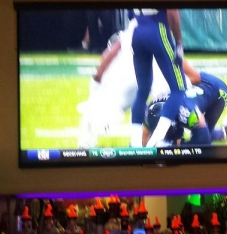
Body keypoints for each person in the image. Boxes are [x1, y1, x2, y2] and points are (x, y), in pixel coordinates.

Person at [76, 18, 200, 149]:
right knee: (166, 101)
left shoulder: (135, 27)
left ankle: (88, 146)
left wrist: (96, 80)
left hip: (132, 73)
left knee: (153, 102)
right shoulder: (156, 26)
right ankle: (159, 140)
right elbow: (192, 76)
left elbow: (111, 52)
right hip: (143, 69)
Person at [129, 8, 187, 147]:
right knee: (178, 89)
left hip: (137, 31)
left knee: (142, 90)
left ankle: (135, 143)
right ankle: (155, 141)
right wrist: (179, 42)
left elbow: (130, 15)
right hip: (157, 29)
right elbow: (172, 11)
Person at [144, 66, 227, 147]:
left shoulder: (187, 112)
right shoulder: (151, 111)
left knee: (205, 136)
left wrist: (178, 147)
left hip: (217, 90)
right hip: (193, 91)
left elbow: (204, 140)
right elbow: (143, 141)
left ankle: (221, 133)